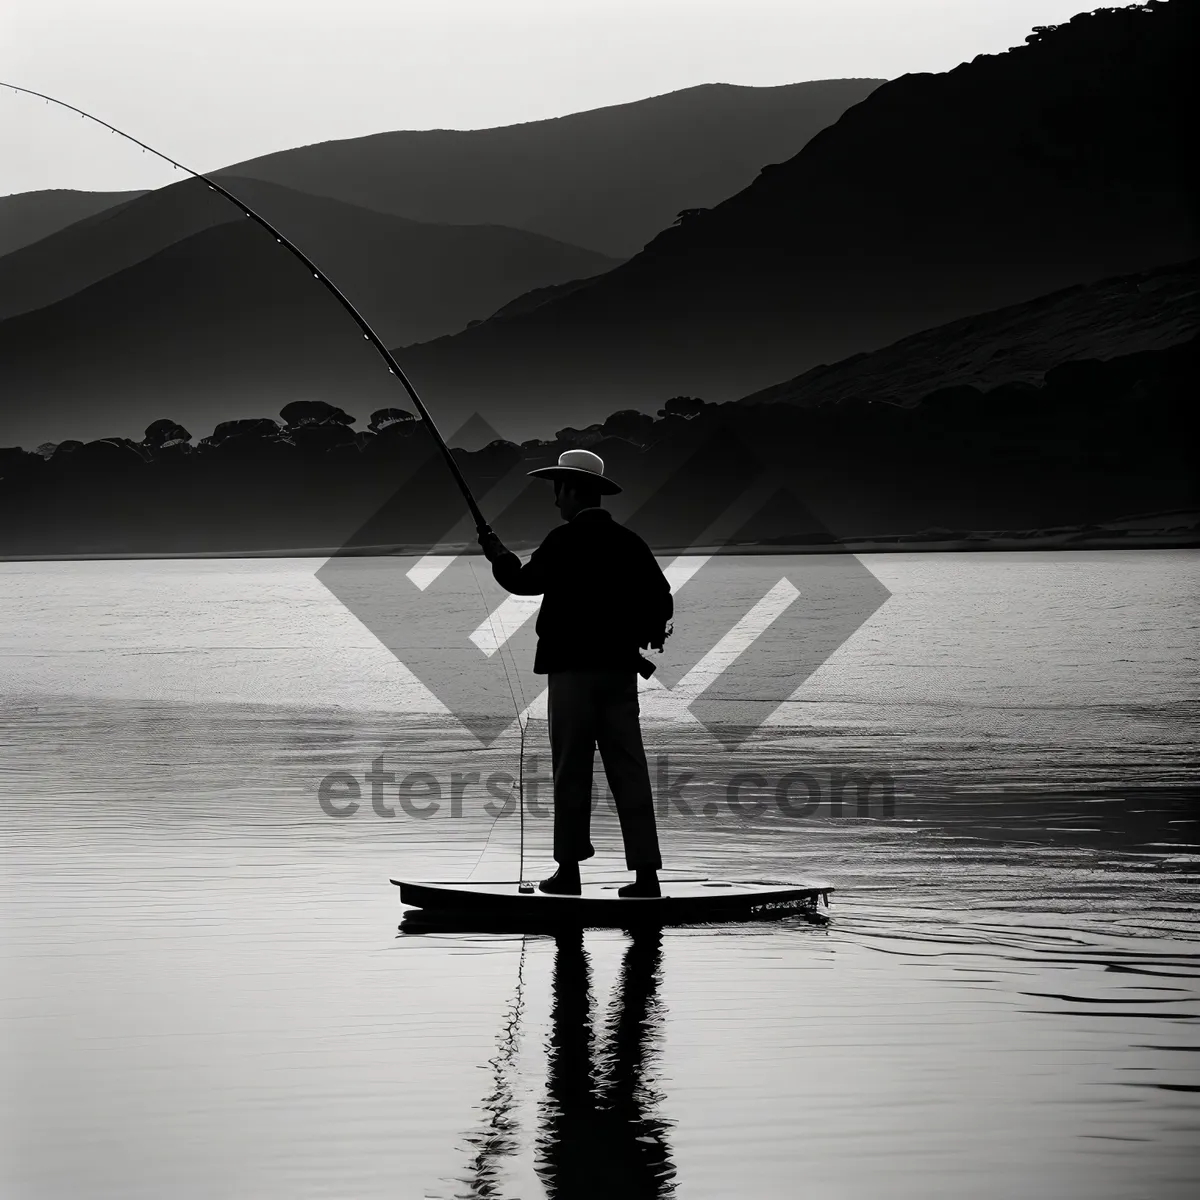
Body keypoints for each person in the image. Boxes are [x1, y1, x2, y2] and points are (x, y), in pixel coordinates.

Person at [478, 448, 672, 897]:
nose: (554, 501)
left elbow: (523, 582)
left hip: (571, 676)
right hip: (621, 674)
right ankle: (646, 877)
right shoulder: (630, 542)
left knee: (571, 771)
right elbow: (661, 599)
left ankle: (569, 874)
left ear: (571, 490)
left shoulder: (564, 540)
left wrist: (498, 554)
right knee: (630, 770)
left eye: (557, 490)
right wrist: (645, 634)